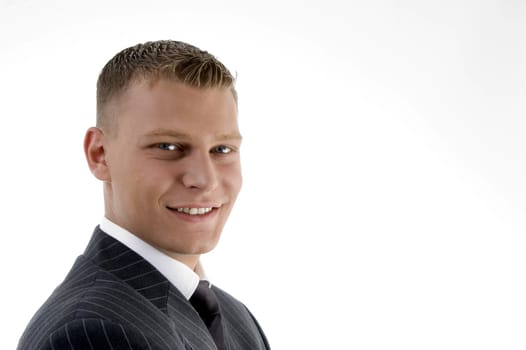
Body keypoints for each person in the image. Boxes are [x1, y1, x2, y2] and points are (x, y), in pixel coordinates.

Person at [18, 40, 270, 350]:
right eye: (167, 147)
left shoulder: (237, 318)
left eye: (222, 149)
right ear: (100, 154)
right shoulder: (91, 331)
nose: (205, 180)